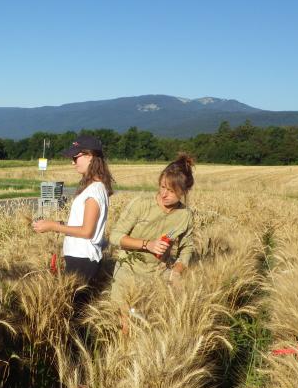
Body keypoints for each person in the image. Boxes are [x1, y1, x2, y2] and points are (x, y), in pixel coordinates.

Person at [107, 154, 195, 320]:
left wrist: (177, 269)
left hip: (157, 274)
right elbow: (115, 236)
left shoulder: (185, 215)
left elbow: (187, 247)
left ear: (184, 191)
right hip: (128, 271)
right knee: (125, 324)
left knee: (154, 321)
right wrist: (147, 244)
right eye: (162, 187)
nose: (164, 194)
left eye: (171, 190)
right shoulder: (141, 205)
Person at [32, 134, 114, 282]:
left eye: (75, 157)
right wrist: (59, 224)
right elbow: (83, 225)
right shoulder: (94, 188)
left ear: (90, 156)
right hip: (80, 257)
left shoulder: (94, 190)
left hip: (82, 259)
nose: (72, 162)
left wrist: (53, 226)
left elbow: (86, 231)